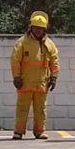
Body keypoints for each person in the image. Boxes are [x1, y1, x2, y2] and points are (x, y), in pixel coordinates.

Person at [10, 11, 60, 139]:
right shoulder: (22, 42)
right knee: (22, 108)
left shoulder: (49, 44)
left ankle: (40, 131)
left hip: (42, 83)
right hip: (25, 82)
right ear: (31, 27)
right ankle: (19, 131)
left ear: (44, 29)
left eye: (40, 28)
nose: (38, 30)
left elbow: (55, 61)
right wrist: (16, 77)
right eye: (36, 28)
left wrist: (54, 78)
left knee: (41, 110)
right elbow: (15, 60)